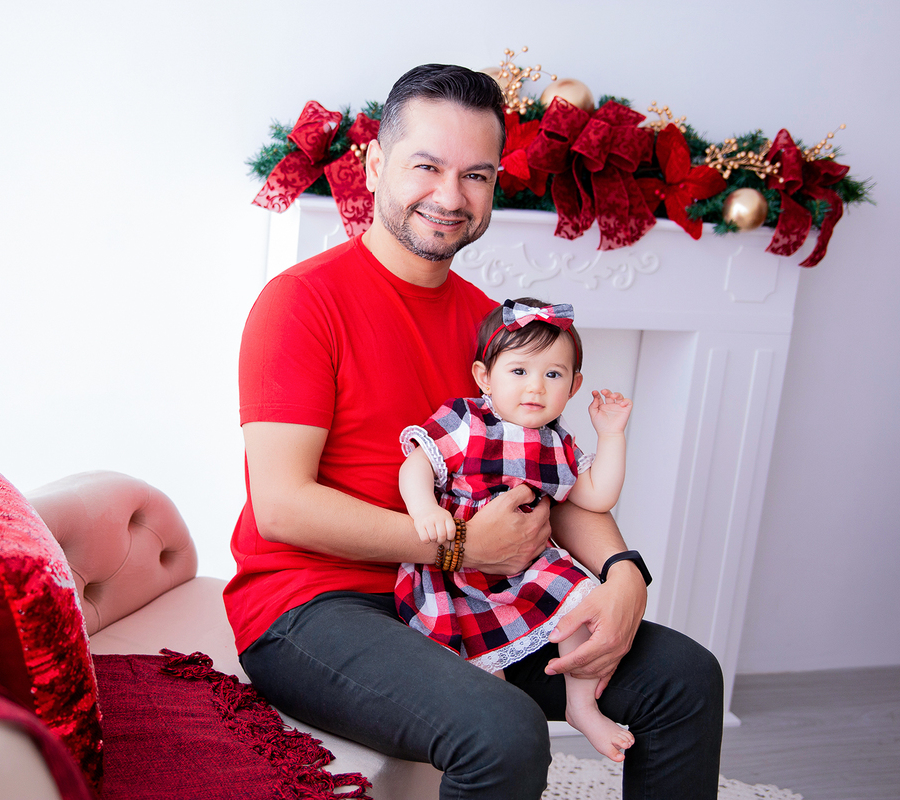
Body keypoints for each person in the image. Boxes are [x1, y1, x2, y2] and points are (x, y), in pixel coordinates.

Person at [225, 63, 723, 799]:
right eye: (426, 166)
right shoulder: (301, 303)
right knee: (500, 731)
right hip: (314, 606)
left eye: (477, 176)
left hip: (467, 598)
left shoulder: (498, 332)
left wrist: (624, 576)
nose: (450, 197)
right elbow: (283, 506)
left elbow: (550, 479)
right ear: (374, 164)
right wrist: (461, 543)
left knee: (684, 676)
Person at [396, 297, 635, 761]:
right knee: (484, 682)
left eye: (553, 375)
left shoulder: (556, 442)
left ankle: (581, 706)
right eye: (519, 371)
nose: (536, 388)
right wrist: (424, 508)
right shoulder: (467, 420)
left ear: (573, 386)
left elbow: (596, 496)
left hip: (527, 567)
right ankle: (501, 731)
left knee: (582, 601)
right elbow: (416, 463)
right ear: (485, 377)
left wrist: (612, 435)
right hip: (455, 569)